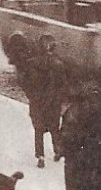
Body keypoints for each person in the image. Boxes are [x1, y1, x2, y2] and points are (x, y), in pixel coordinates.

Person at [18, 34, 67, 167]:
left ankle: (40, 156)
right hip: (53, 102)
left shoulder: (31, 63)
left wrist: (31, 95)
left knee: (38, 129)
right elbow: (63, 85)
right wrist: (59, 99)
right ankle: (57, 150)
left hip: (37, 101)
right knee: (54, 127)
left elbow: (23, 81)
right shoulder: (59, 65)